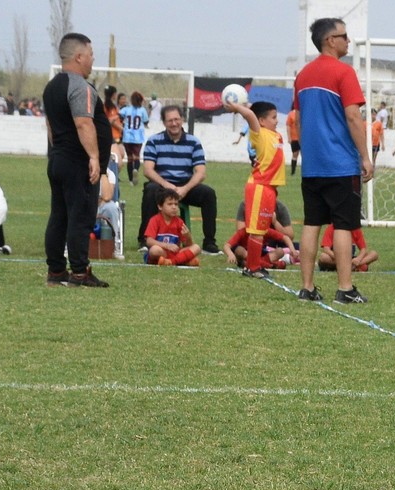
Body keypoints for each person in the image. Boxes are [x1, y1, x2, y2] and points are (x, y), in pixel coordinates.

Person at [294, 17, 375, 304]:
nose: (348, 41)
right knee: (343, 225)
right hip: (341, 164)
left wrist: (308, 152)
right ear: (330, 40)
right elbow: (353, 116)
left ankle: (306, 287)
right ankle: (345, 288)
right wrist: (366, 156)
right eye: (344, 36)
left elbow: (299, 119)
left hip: (313, 166)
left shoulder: (302, 75)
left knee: (311, 224)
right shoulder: (344, 72)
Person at [42, 32, 111, 288]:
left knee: (59, 216)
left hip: (58, 158)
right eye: (91, 55)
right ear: (79, 56)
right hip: (76, 162)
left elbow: (50, 127)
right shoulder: (80, 86)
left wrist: (58, 151)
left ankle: (56, 271)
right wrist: (94, 157)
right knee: (80, 216)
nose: (93, 60)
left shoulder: (51, 87)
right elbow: (83, 124)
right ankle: (80, 272)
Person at [140, 105, 219, 255]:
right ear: (164, 122)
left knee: (208, 194)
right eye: (170, 120)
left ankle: (209, 242)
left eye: (176, 119)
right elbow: (148, 170)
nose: (174, 123)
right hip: (162, 186)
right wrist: (166, 185)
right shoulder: (153, 141)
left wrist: (185, 189)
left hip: (185, 186)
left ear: (182, 120)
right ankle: (145, 240)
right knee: (150, 189)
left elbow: (200, 173)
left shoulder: (193, 142)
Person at [224, 97, 285, 277]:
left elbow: (254, 111)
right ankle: (253, 268)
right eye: (273, 117)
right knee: (256, 230)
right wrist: (236, 105)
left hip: (269, 188)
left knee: (261, 229)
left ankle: (255, 264)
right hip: (259, 186)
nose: (277, 120)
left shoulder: (277, 135)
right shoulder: (258, 133)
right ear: (261, 121)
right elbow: (250, 114)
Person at [143, 188, 200, 266]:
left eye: (176, 204)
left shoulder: (179, 222)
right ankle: (182, 261)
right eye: (170, 204)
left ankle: (171, 262)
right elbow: (149, 241)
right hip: (161, 252)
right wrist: (167, 246)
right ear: (160, 206)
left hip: (174, 253)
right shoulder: (154, 220)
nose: (174, 207)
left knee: (196, 247)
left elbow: (188, 245)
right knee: (154, 250)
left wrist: (188, 236)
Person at [120, 91, 149, 183]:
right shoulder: (142, 110)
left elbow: (119, 116)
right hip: (138, 137)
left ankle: (131, 180)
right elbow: (146, 121)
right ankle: (135, 169)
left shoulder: (126, 109)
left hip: (127, 136)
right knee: (136, 157)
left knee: (129, 158)